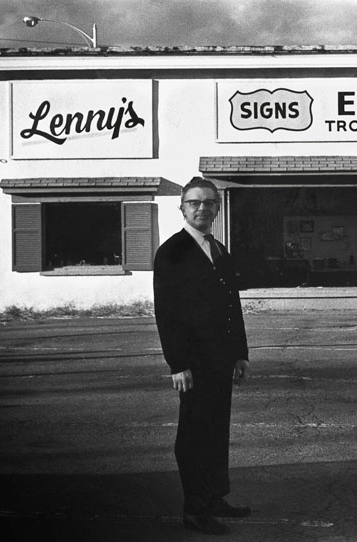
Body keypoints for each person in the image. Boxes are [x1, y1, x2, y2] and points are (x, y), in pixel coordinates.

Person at [153, 176, 251, 535]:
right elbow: (167, 312)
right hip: (192, 363)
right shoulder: (173, 251)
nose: (202, 208)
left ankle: (214, 498)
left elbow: (231, 305)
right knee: (194, 437)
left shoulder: (218, 248)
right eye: (194, 202)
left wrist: (240, 354)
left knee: (216, 431)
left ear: (217, 208)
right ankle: (195, 509)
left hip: (220, 360)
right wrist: (177, 364)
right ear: (182, 207)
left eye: (209, 202)